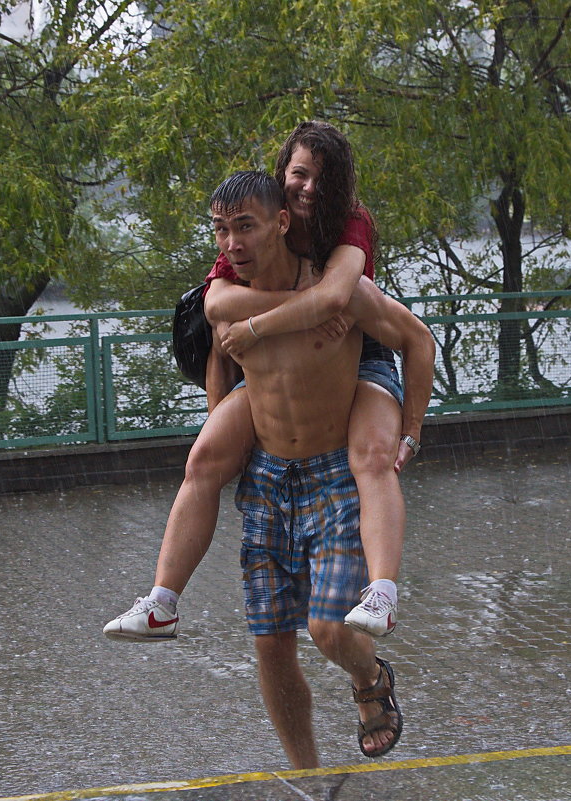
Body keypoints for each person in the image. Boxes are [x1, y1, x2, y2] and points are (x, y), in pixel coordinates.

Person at [104, 122, 416, 642]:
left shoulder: (348, 221)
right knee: (202, 459)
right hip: (275, 366)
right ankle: (161, 603)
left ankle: (383, 591)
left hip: (358, 351)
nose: (310, 186)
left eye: (324, 176)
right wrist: (222, 414)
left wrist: (412, 429)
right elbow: (216, 309)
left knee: (373, 457)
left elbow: (339, 297)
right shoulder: (248, 227)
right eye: (300, 173)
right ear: (281, 182)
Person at [207, 170, 434, 763]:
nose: (233, 241)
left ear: (282, 220)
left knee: (330, 628)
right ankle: (307, 776)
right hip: (269, 475)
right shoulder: (229, 278)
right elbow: (217, 349)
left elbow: (414, 338)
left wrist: (410, 429)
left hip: (334, 462)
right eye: (296, 175)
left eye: (245, 228)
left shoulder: (341, 260)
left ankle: (370, 679)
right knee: (271, 648)